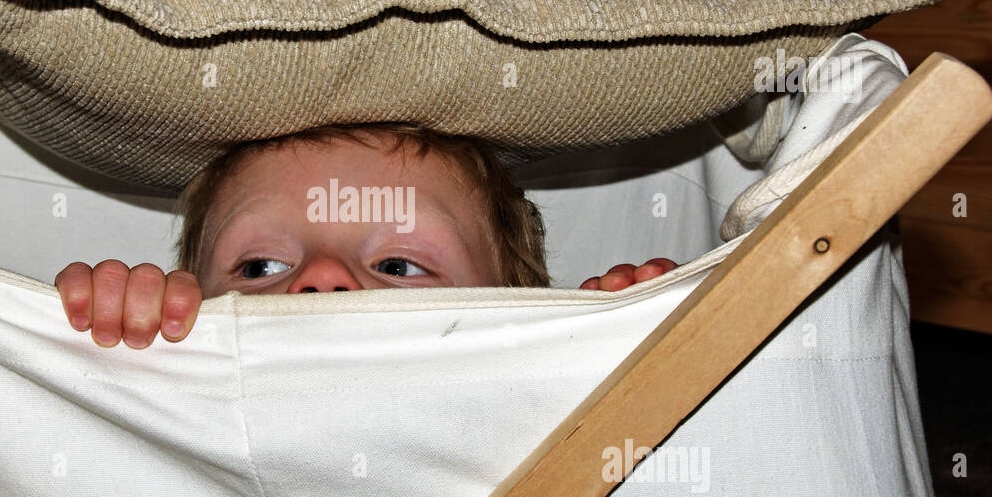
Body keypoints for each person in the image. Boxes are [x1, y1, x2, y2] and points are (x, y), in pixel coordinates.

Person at [55, 123, 677, 349]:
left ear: (526, 307)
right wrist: (112, 340)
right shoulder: (173, 397)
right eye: (259, 266)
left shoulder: (548, 391)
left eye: (400, 265)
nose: (324, 278)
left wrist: (611, 350)